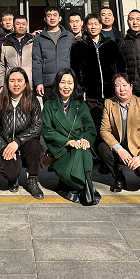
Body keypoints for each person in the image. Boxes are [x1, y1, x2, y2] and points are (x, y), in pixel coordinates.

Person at [42, 68, 100, 205]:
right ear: (57, 84)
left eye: (70, 82)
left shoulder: (81, 105)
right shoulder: (49, 105)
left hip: (80, 145)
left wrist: (85, 139)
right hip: (61, 149)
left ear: (75, 85)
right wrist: (67, 142)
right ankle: (85, 185)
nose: (66, 86)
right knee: (76, 151)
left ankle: (79, 185)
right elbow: (47, 130)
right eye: (63, 82)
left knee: (82, 150)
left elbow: (90, 128)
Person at [98, 72, 140, 193]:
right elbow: (104, 130)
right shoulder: (109, 103)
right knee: (102, 147)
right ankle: (119, 178)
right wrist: (119, 149)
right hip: (120, 149)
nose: (122, 89)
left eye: (125, 85)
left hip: (138, 149)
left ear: (131, 86)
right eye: (117, 85)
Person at [0, 67, 44, 198]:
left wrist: (18, 142)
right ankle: (13, 180)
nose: (16, 84)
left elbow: (37, 126)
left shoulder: (32, 101)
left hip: (26, 143)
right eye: (12, 80)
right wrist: (4, 148)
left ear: (25, 83)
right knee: (10, 171)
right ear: (7, 83)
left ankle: (32, 179)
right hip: (7, 144)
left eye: (20, 80)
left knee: (36, 148)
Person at [70, 13, 126, 118]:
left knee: (112, 120)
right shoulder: (77, 46)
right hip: (91, 94)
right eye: (90, 24)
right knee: (95, 121)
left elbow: (121, 67)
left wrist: (119, 85)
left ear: (100, 26)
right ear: (85, 27)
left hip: (111, 92)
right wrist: (81, 89)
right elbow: (75, 70)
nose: (93, 27)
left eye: (96, 24)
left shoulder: (111, 44)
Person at [32, 6, 72, 100]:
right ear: (45, 19)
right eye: (49, 15)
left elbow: (74, 60)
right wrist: (38, 82)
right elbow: (37, 61)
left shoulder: (69, 37)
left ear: (60, 18)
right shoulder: (39, 38)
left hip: (66, 82)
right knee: (49, 108)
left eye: (55, 15)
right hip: (47, 83)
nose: (52, 18)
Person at [0, 14, 33, 86]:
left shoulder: (33, 43)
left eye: (23, 24)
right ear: (13, 26)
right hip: (11, 84)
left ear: (27, 26)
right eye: (18, 24)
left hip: (29, 83)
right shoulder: (6, 44)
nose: (21, 26)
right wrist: (1, 85)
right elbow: (2, 67)